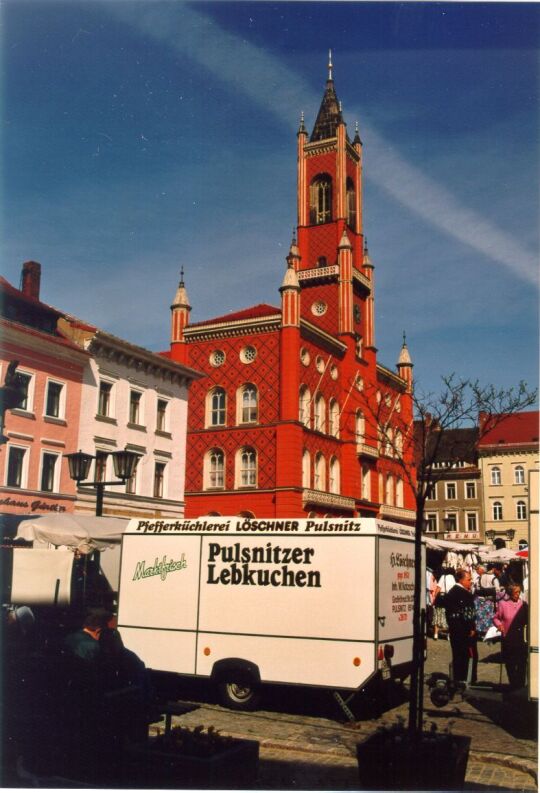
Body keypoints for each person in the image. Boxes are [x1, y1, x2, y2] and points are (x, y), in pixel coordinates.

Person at [444, 568, 477, 683]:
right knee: (468, 657)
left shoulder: (451, 592)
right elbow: (468, 614)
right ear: (461, 580)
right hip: (464, 632)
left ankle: (458, 680)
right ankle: (468, 681)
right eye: (469, 579)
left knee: (458, 656)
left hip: (455, 631)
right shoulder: (463, 594)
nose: (471, 582)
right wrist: (471, 628)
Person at [493, 583, 528, 690]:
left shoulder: (524, 605)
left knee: (521, 662)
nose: (518, 594)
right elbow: (496, 618)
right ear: (510, 593)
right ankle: (513, 684)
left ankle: (521, 685)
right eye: (516, 592)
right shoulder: (503, 604)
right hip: (508, 637)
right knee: (510, 663)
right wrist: (499, 625)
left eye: (519, 592)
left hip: (521, 638)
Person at [432, 567, 455, 640]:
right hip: (450, 598)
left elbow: (438, 588)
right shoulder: (453, 579)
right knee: (449, 616)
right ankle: (449, 635)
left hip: (441, 598)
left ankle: (436, 634)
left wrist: (435, 596)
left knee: (438, 614)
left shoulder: (443, 577)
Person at [473, 564, 495, 638]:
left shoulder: (485, 578)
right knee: (482, 616)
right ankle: (481, 632)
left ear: (482, 570)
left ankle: (484, 632)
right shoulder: (478, 578)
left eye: (478, 569)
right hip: (482, 599)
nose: (476, 571)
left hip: (484, 598)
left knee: (484, 616)